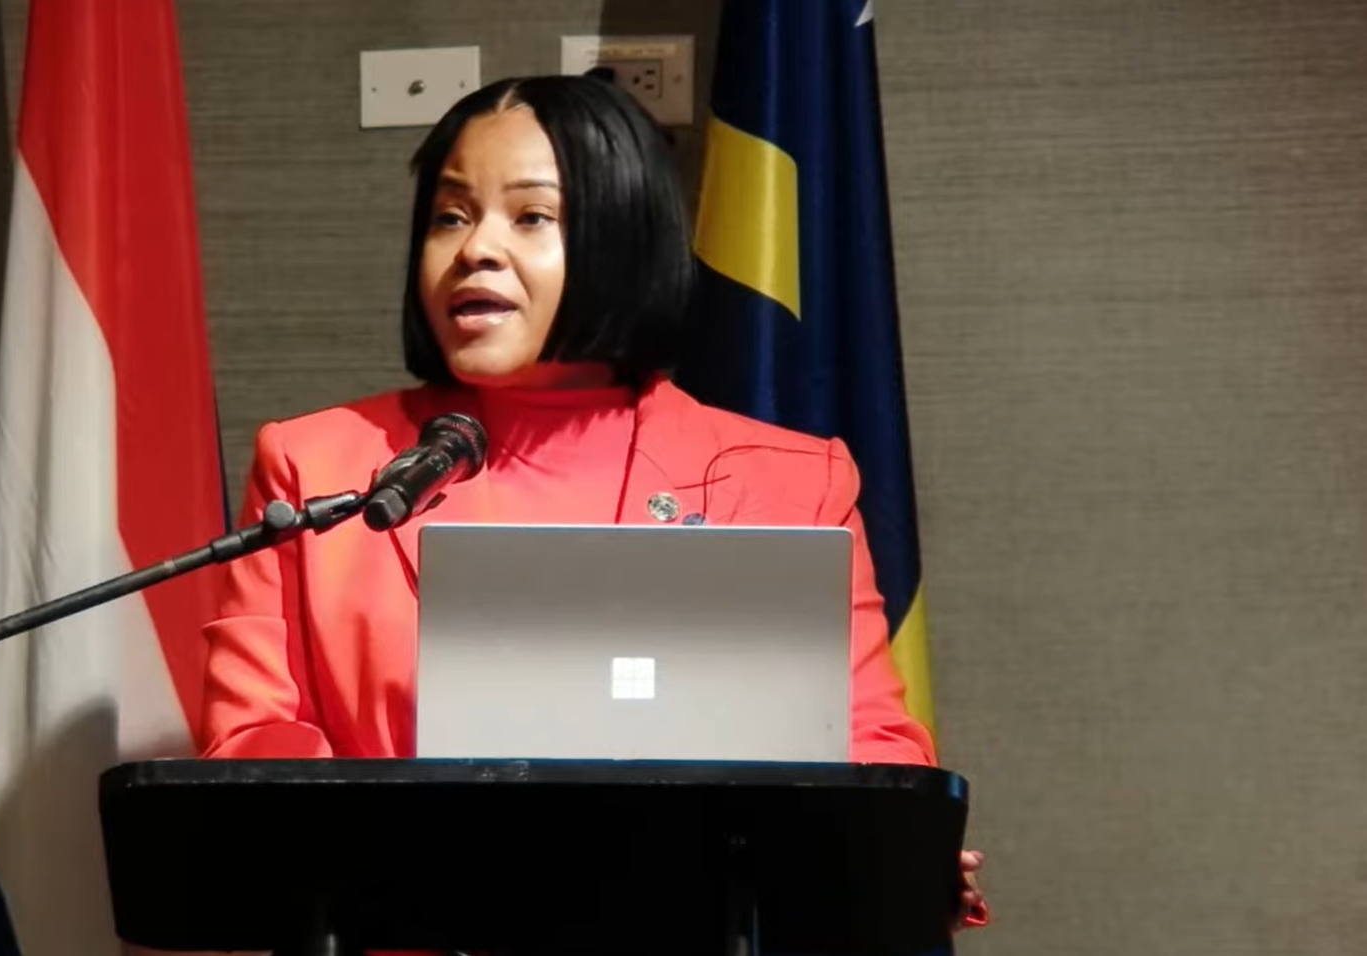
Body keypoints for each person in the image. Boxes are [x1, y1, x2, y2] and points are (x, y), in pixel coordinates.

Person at [199, 74, 985, 930]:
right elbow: (254, 739)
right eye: (450, 216)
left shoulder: (786, 482)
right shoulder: (317, 468)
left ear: (625, 236)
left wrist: (900, 843)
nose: (475, 249)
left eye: (531, 217)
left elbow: (866, 742)